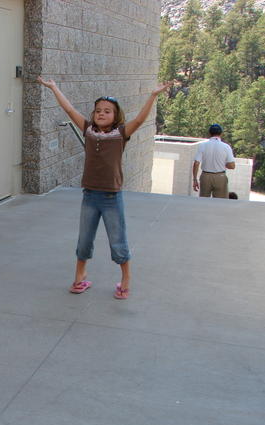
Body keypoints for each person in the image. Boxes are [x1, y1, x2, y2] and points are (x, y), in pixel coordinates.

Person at [37, 76, 170, 299]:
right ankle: (80, 277)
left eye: (107, 111)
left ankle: (125, 278)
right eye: (98, 110)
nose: (101, 113)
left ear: (116, 116)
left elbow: (139, 119)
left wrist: (153, 95)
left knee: (118, 240)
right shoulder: (88, 130)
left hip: (111, 197)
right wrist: (53, 88)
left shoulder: (121, 134)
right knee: (84, 240)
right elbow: (69, 110)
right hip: (89, 195)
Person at [192, 124, 236, 198]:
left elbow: (196, 163)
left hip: (205, 176)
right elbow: (232, 166)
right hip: (220, 176)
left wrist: (195, 179)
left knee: (204, 201)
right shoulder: (226, 147)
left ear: (209, 133)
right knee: (220, 203)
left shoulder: (202, 145)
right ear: (221, 133)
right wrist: (222, 163)